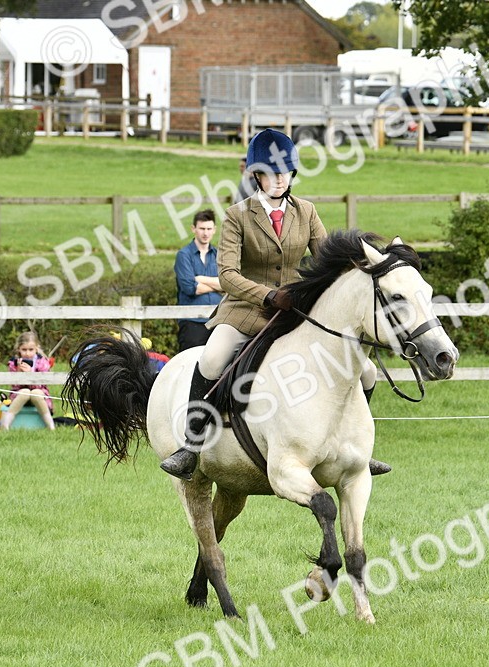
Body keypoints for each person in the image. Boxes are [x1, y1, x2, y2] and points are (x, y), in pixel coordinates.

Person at [159, 129, 388, 481]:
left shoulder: (307, 212)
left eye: (285, 171)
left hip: (296, 312)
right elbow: (229, 274)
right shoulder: (237, 215)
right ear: (257, 175)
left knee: (368, 371)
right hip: (246, 309)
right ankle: (191, 445)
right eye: (271, 171)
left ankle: (354, 448)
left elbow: (329, 260)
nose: (280, 178)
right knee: (213, 357)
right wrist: (267, 295)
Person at [174, 209, 222, 352]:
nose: (205, 233)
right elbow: (190, 288)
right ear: (193, 229)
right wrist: (217, 284)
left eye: (209, 228)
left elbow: (228, 284)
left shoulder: (219, 255)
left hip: (217, 320)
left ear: (214, 230)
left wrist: (201, 279)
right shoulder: (183, 255)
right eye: (202, 228)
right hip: (192, 321)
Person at [1, 331, 55, 430]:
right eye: (24, 350)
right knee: (25, 392)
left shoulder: (42, 362)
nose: (27, 353)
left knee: (36, 392)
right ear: (19, 349)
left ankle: (50, 425)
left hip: (39, 394)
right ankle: (5, 424)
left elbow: (43, 384)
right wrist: (19, 373)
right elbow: (14, 385)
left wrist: (31, 374)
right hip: (19, 395)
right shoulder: (14, 363)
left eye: (31, 350)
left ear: (36, 348)